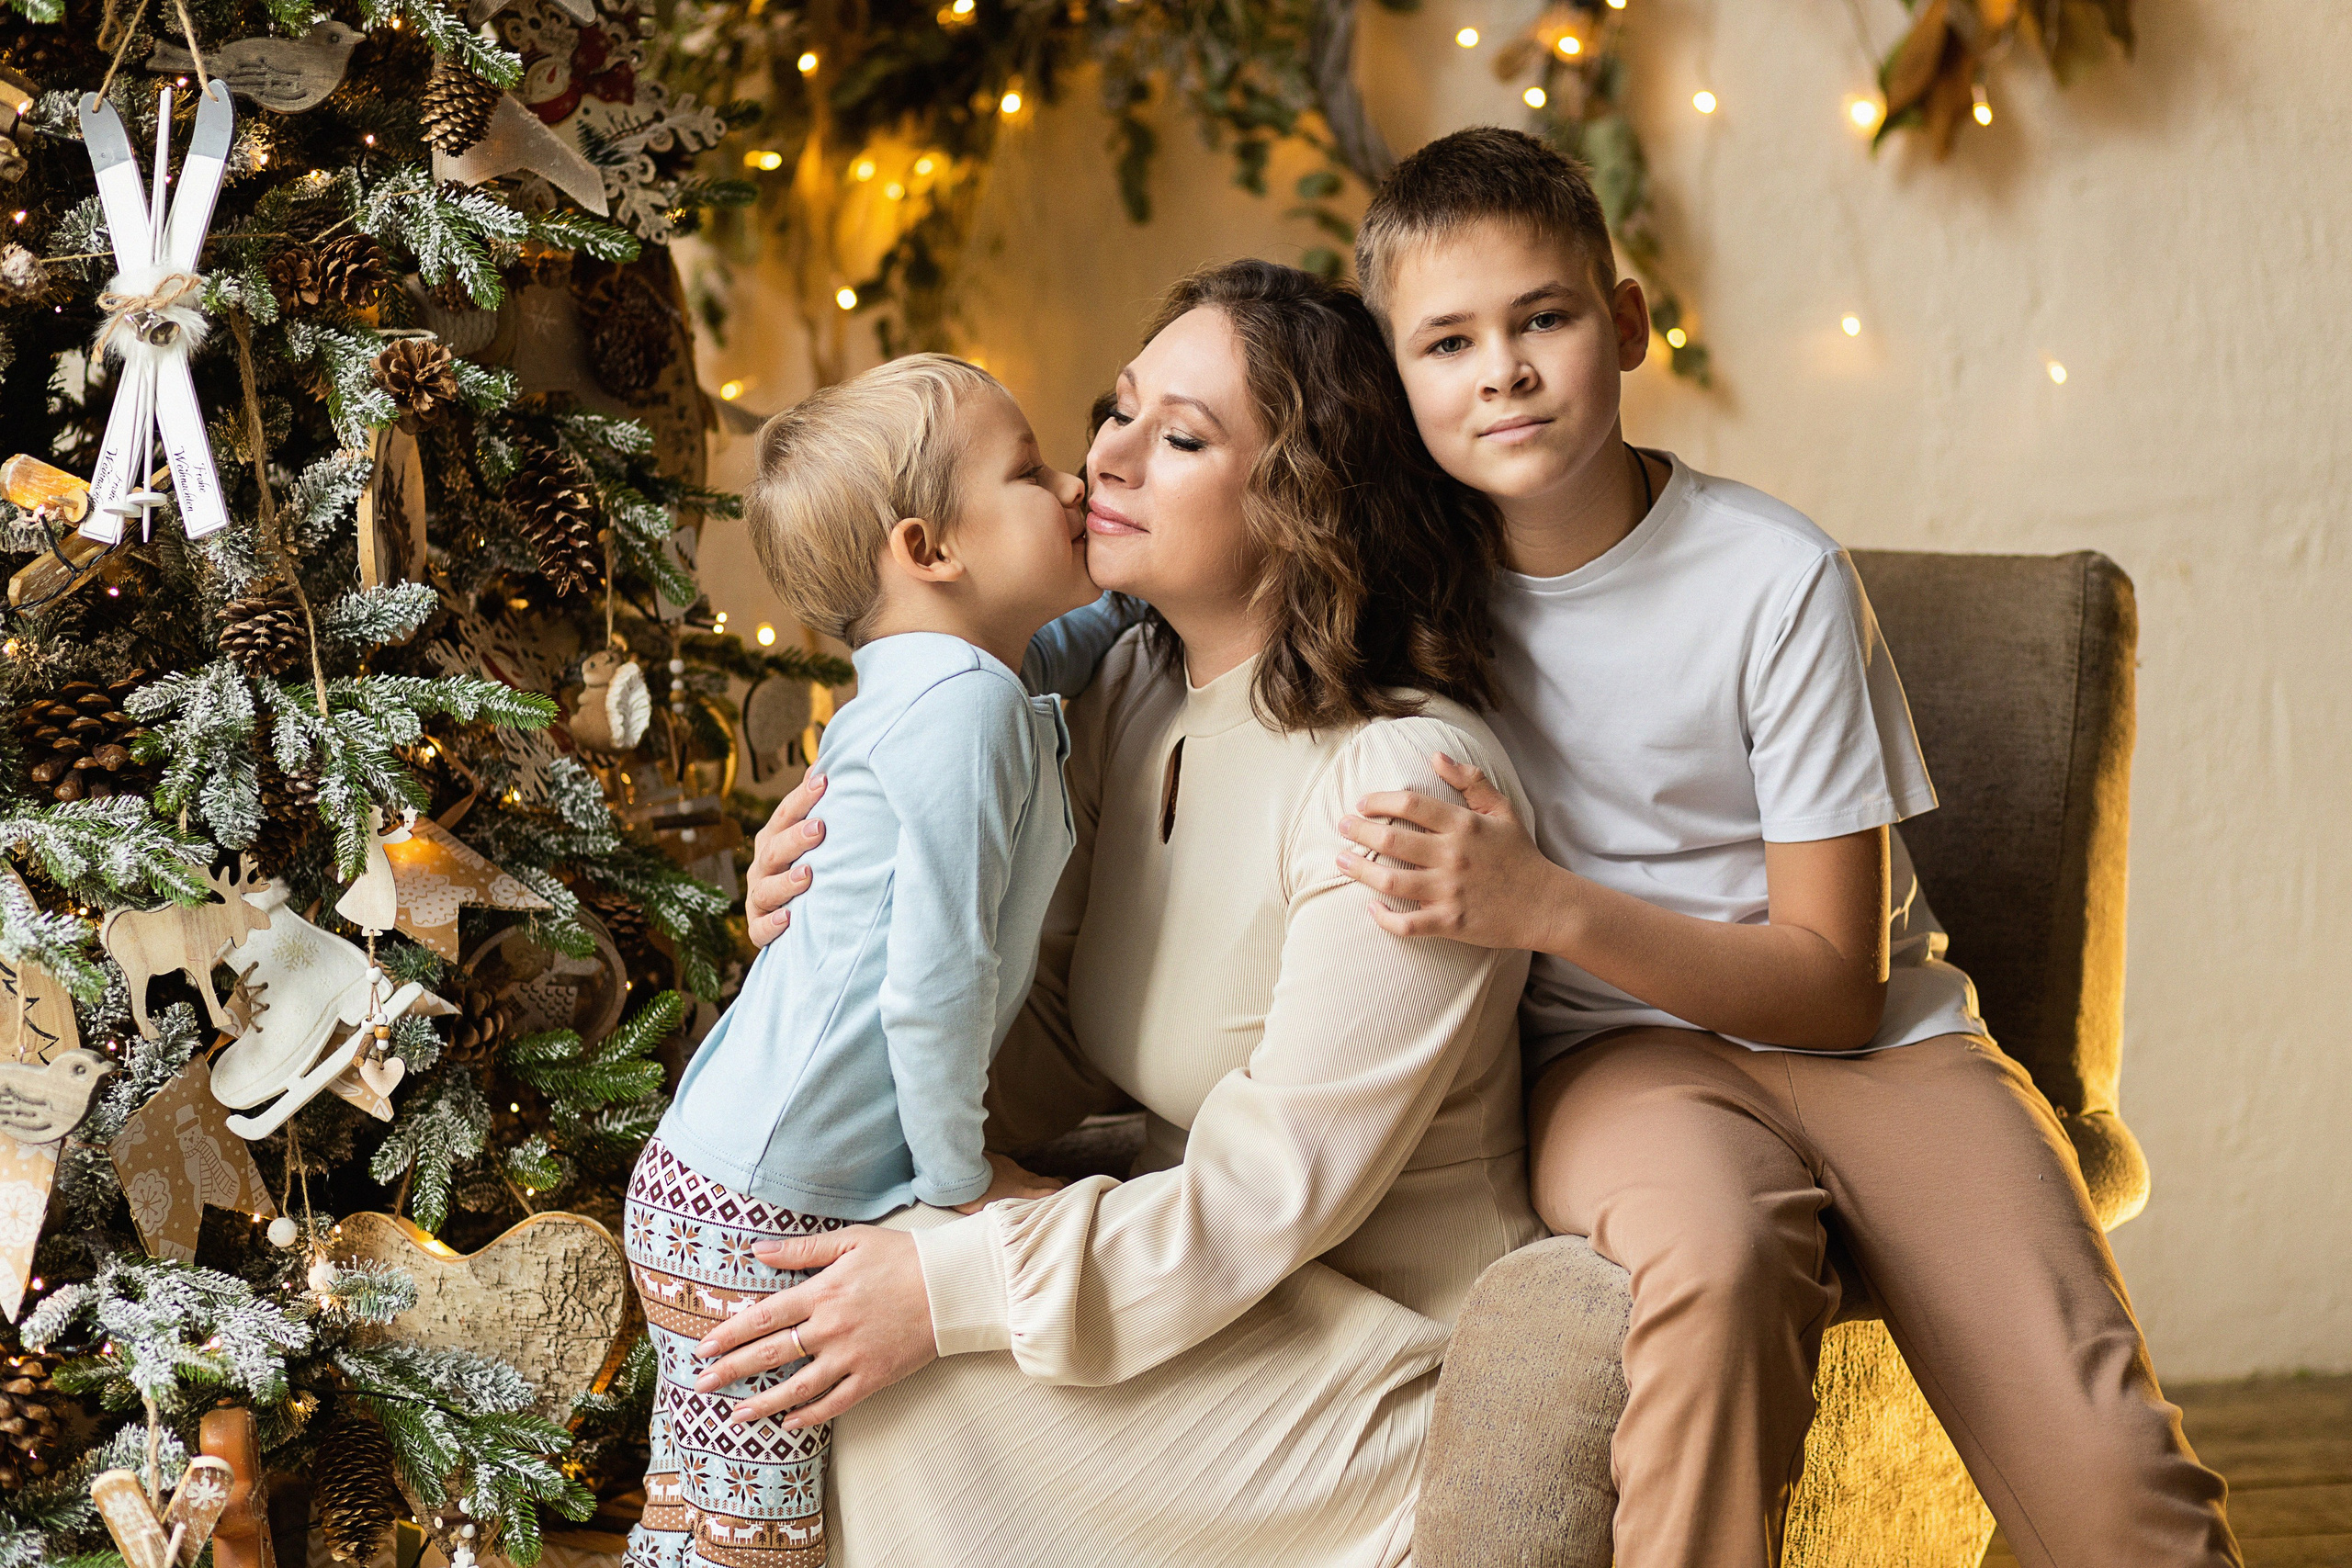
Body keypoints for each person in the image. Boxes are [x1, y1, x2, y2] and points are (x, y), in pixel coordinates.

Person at [1310, 127, 2237, 1567]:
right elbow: (1153, 623)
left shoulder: (1775, 576)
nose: (1502, 370)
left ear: (1621, 325)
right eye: (1448, 341)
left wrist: (1543, 900)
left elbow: (1832, 988)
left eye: (1543, 318)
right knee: (1720, 1261)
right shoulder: (1389, 591)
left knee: (2121, 1484)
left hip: (1885, 1051)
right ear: (1397, 380)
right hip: (1617, 1068)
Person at [699, 259, 1546, 1565]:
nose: (1108, 457)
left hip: (1363, 1357)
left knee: (872, 1388)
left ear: (1303, 502)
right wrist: (835, 943)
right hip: (1196, 1292)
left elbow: (1270, 1193)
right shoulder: (1128, 693)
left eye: (1184, 436)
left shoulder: (1405, 784)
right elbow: (1030, 1014)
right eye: (1118, 408)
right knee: (814, 1306)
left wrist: (956, 1278)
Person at [626, 353, 1121, 1568]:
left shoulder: (934, 680)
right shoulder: (967, 710)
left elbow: (1070, 647)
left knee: (695, 1526)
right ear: (931, 547)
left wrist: (1148, 580)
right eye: (1028, 470)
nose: (1071, 484)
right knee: (756, 1548)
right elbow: (933, 984)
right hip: (767, 1210)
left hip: (713, 1181)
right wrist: (959, 1188)